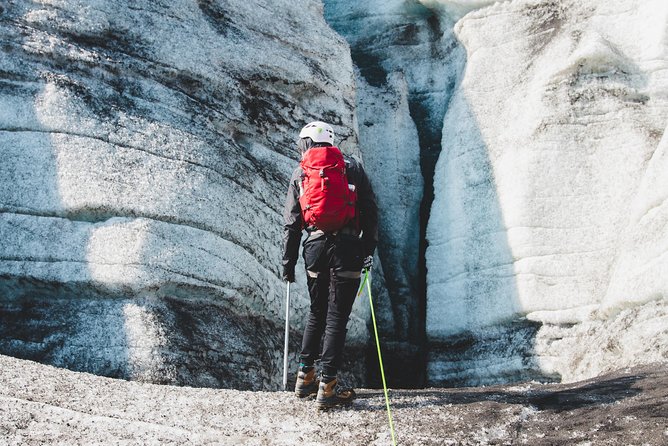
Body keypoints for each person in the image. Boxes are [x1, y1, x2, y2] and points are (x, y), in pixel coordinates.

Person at [282, 121, 378, 410]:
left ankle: (304, 376)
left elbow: (292, 222)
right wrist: (368, 249)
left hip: (314, 247)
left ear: (308, 142)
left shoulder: (300, 172)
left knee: (317, 310)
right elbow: (370, 210)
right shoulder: (352, 167)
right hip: (348, 247)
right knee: (337, 316)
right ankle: (328, 385)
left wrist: (288, 262)